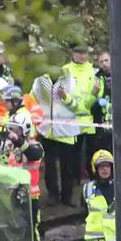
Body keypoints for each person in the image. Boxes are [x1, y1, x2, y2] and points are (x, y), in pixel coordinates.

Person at [0, 113, 44, 241]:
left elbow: (33, 154)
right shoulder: (10, 147)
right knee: (13, 228)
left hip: (30, 196)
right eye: (11, 129)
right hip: (11, 194)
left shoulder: (35, 145)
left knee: (31, 229)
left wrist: (16, 140)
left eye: (16, 129)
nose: (12, 132)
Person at [33, 74, 83, 206]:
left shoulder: (70, 80)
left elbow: (79, 105)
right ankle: (53, 195)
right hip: (47, 129)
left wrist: (66, 97)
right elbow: (33, 99)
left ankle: (67, 196)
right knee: (49, 165)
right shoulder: (40, 80)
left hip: (66, 129)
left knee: (67, 165)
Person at [62, 44, 101, 179]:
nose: (82, 56)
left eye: (84, 53)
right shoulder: (65, 70)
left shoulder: (93, 70)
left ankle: (92, 178)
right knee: (72, 154)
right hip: (72, 119)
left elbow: (97, 92)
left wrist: (89, 100)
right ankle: (75, 180)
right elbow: (63, 95)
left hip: (89, 119)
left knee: (91, 152)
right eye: (79, 53)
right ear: (72, 53)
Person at [92, 50, 114, 152]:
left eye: (106, 60)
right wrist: (95, 94)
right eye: (101, 62)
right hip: (103, 123)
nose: (104, 64)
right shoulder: (97, 77)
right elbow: (92, 103)